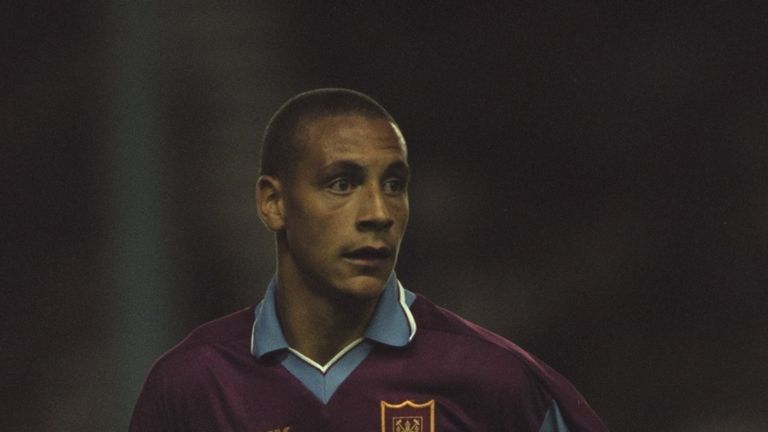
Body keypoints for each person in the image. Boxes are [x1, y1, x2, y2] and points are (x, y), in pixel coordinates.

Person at [130, 88, 608, 431]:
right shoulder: (192, 383)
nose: (378, 213)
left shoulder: (495, 379)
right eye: (342, 183)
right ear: (273, 203)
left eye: (394, 185)